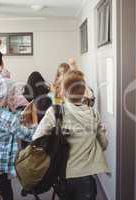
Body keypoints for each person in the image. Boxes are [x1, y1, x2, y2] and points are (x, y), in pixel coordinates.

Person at [32, 70, 109, 200]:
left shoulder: (55, 112)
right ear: (84, 91)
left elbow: (36, 138)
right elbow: (103, 145)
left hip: (64, 175)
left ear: (63, 91)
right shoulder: (93, 114)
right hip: (87, 177)